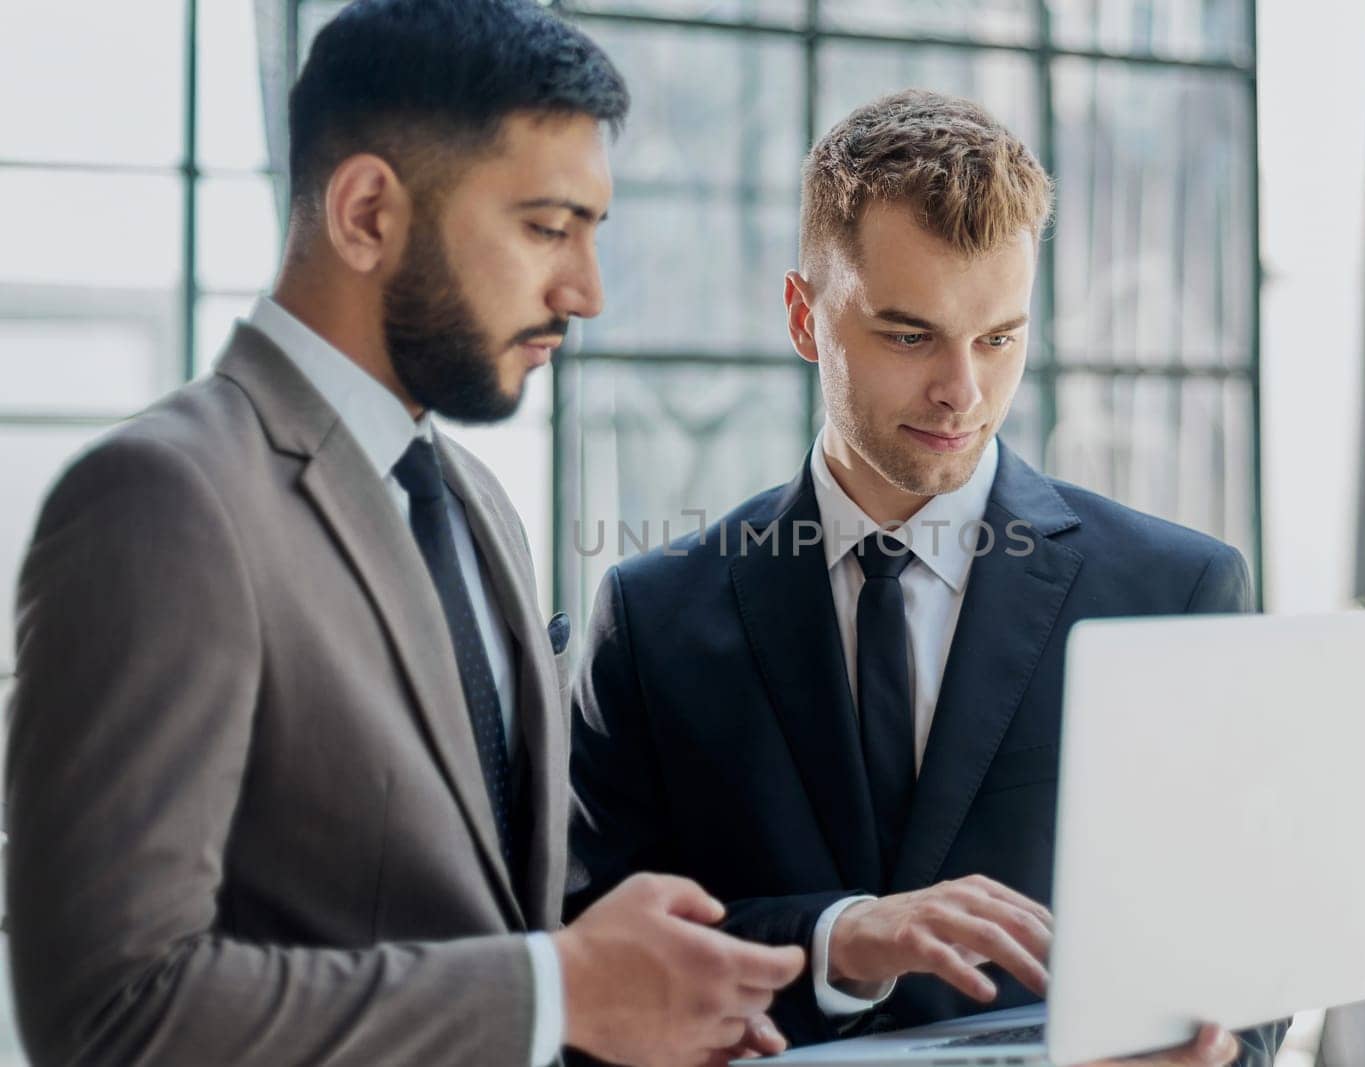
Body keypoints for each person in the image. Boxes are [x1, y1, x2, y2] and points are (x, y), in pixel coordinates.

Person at [4, 2, 803, 1064]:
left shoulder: (474, 502)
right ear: (369, 212)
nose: (586, 292)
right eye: (545, 226)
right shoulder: (159, 501)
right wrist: (556, 988)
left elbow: (481, 922)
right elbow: (110, 1009)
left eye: (591, 233)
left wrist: (636, 996)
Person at [566, 90, 1287, 1067]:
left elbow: (1247, 951)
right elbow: (591, 971)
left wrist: (1209, 1054)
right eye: (910, 335)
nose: (963, 391)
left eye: (999, 338)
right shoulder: (651, 621)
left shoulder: (1177, 587)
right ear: (802, 316)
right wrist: (834, 940)